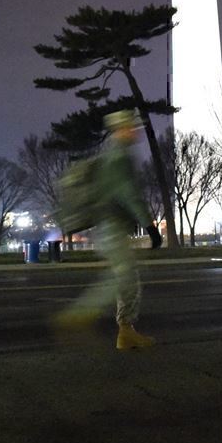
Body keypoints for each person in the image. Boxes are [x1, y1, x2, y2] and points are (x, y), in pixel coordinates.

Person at [55, 109, 161, 350]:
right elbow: (128, 193)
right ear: (120, 129)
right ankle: (80, 315)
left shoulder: (113, 155)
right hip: (110, 225)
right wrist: (149, 226)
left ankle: (126, 331)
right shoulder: (118, 158)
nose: (135, 130)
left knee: (128, 276)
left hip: (110, 225)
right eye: (131, 126)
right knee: (124, 275)